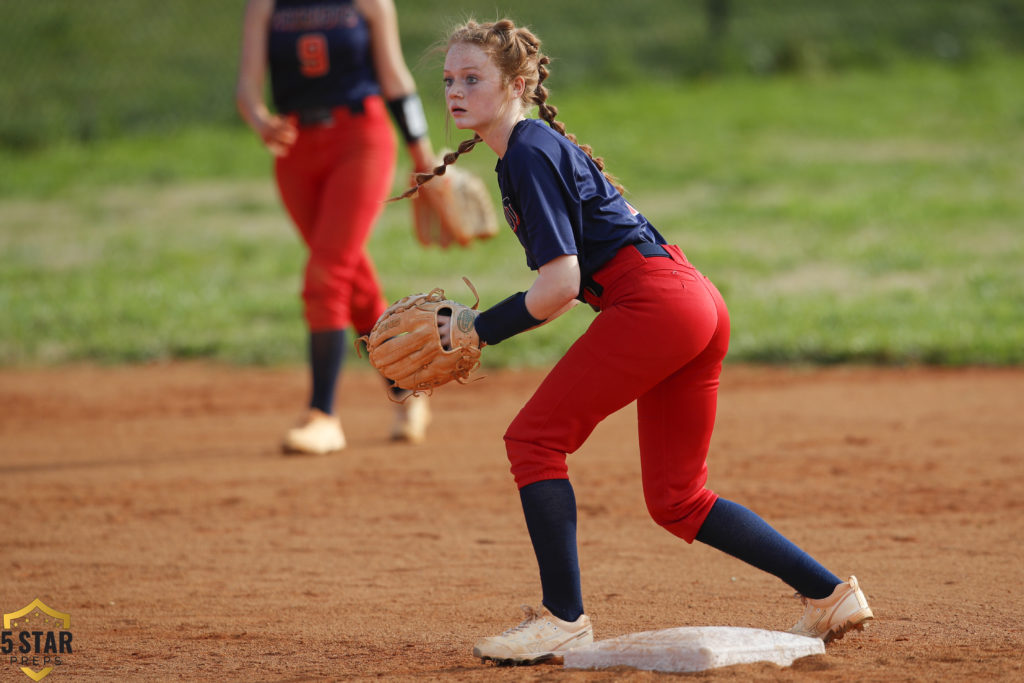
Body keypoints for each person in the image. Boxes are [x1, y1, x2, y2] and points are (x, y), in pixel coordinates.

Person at [403, 18, 874, 665]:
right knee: (679, 499)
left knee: (533, 439)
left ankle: (563, 618)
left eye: (473, 78)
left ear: (516, 84)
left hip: (654, 302)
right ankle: (830, 593)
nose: (455, 91)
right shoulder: (527, 150)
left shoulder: (528, 153)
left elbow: (562, 284)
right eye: (450, 78)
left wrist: (479, 327)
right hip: (692, 300)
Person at [236, 0, 437, 453]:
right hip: (294, 151)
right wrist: (258, 119)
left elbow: (395, 78)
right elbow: (247, 86)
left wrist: (421, 152)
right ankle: (407, 388)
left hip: (360, 141)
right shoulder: (265, 4)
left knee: (326, 275)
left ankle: (322, 415)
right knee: (352, 280)